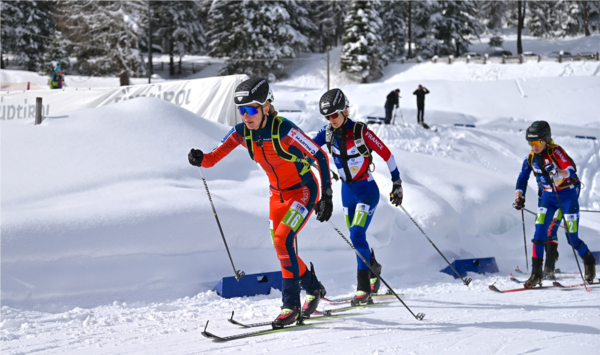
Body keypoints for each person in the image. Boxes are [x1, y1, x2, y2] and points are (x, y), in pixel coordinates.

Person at [188, 78, 333, 325]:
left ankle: (290, 306)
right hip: (276, 196)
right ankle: (313, 287)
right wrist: (200, 158)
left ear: (266, 107)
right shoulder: (241, 132)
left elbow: (319, 156)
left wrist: (327, 196)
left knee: (282, 240)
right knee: (282, 248)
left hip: (303, 192)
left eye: (252, 109)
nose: (246, 116)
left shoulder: (285, 130)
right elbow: (212, 159)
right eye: (241, 110)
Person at [312, 88, 403, 306]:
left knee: (356, 234)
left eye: (334, 114)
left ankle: (363, 289)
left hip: (366, 192)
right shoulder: (327, 133)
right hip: (347, 193)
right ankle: (373, 268)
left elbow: (387, 155)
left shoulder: (361, 132)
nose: (331, 120)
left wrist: (397, 183)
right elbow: (308, 148)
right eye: (327, 116)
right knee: (356, 239)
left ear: (345, 111)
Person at [513, 120, 595, 287]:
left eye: (537, 142)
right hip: (548, 197)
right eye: (531, 143)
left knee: (572, 239)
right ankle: (537, 274)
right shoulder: (530, 158)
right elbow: (522, 177)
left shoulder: (556, 152)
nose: (534, 146)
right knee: (539, 231)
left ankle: (589, 261)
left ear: (546, 140)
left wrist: (558, 172)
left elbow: (571, 169)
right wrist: (519, 196)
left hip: (567, 196)